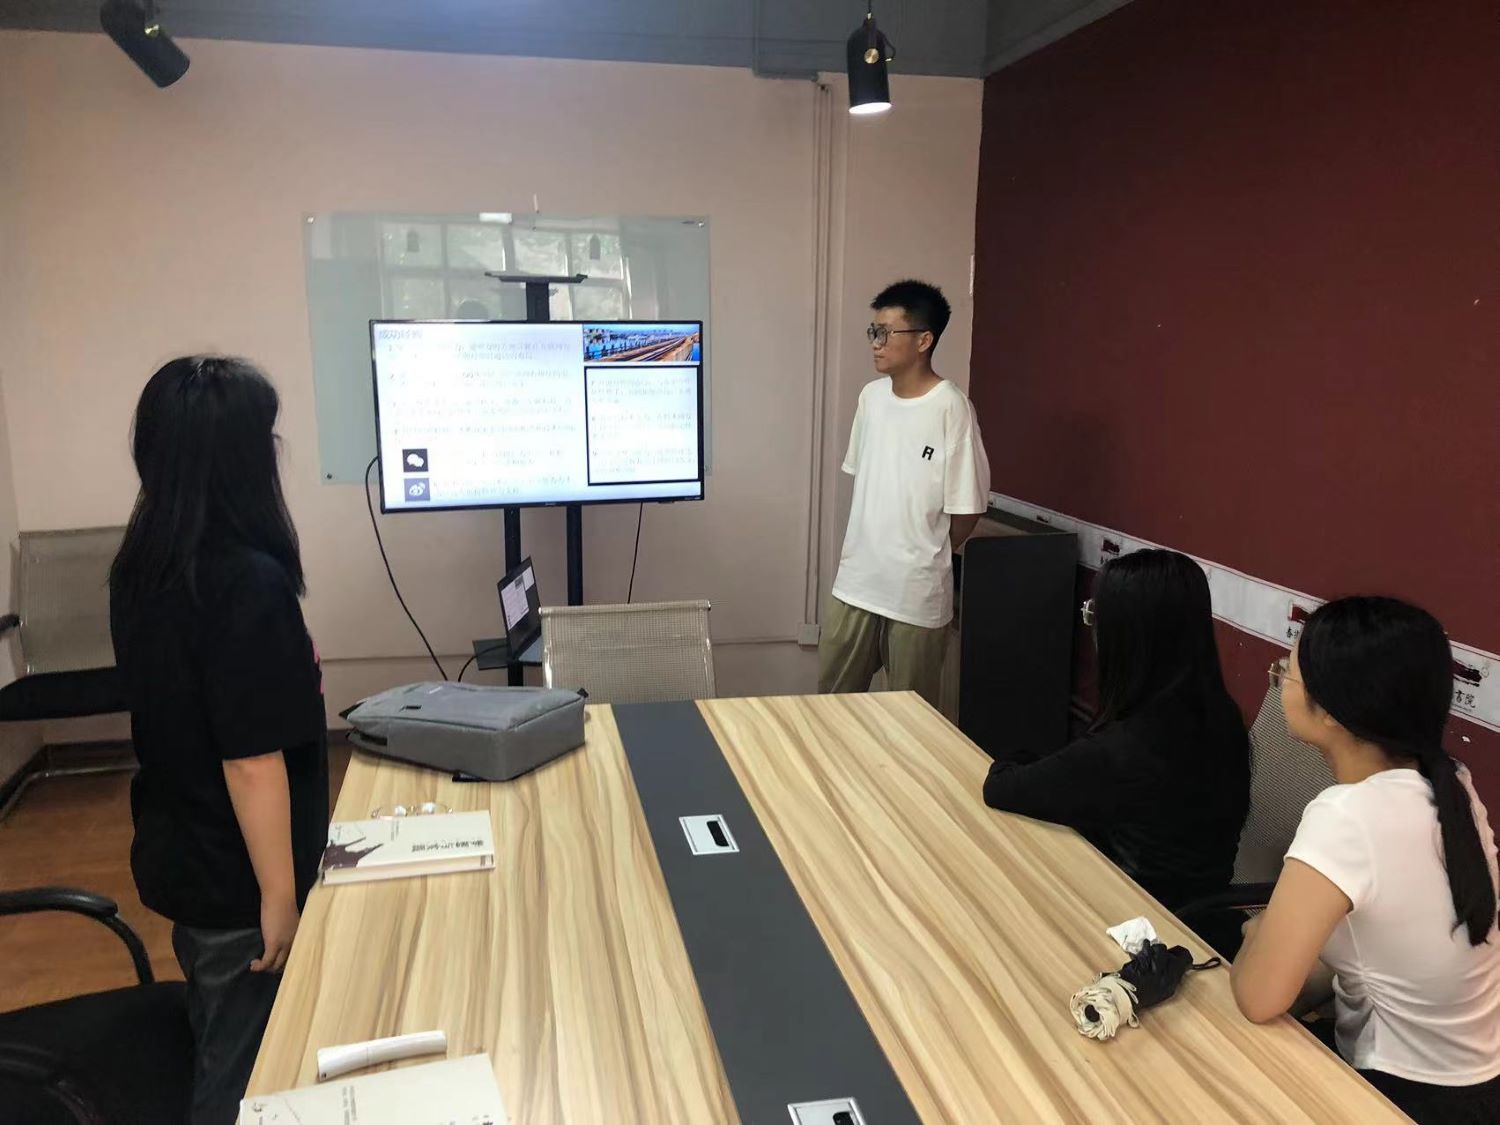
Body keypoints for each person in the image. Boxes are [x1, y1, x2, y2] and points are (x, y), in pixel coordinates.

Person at [110, 356, 328, 1124]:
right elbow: (250, 760)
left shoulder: (144, 565)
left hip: (188, 852)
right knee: (241, 1074)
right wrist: (279, 896)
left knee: (220, 1027)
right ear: (236, 461)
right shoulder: (243, 581)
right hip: (239, 879)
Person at [1231, 597, 1500, 1123]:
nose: (1279, 678)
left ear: (1331, 710)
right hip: (1476, 1082)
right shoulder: (1452, 784)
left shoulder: (1346, 817)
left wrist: (1258, 931)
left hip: (1401, 1095)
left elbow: (1257, 999)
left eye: (1287, 670)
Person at [983, 549, 1251, 909]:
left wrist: (1019, 753)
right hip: (1194, 908)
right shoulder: (1223, 718)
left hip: (1132, 915)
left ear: (1125, 637)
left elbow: (1001, 788)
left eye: (1096, 616)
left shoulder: (1127, 747)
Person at [819, 280, 990, 708]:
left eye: (885, 332)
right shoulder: (871, 398)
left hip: (915, 594)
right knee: (829, 707)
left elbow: (967, 511)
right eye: (872, 331)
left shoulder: (952, 407)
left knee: (908, 720)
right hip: (857, 584)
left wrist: (922, 552)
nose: (875, 343)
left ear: (923, 340)